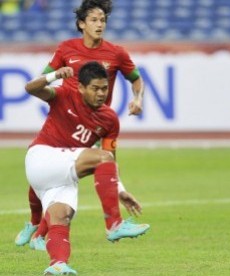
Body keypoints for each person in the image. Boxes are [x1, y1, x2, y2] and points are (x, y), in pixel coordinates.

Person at [15, 0, 145, 250]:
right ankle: (34, 225)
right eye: (94, 20)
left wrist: (137, 99)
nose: (100, 24)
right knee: (46, 174)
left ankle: (41, 233)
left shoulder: (117, 53)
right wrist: (56, 77)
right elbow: (40, 80)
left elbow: (136, 80)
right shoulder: (66, 48)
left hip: (95, 123)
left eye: (103, 20)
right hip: (65, 114)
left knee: (79, 170)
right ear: (81, 24)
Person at [24, 61, 150, 275]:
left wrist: (119, 190)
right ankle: (114, 224)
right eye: (95, 88)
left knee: (61, 217)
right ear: (81, 87)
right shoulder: (64, 95)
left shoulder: (110, 120)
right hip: (41, 157)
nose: (101, 93)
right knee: (101, 156)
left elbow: (110, 159)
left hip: (61, 175)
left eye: (105, 88)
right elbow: (30, 88)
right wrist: (53, 75)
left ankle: (57, 264)